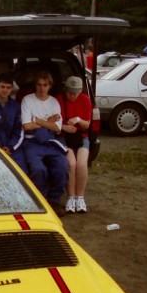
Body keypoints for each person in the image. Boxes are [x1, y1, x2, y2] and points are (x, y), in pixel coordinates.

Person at [21, 70, 68, 215]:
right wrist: (48, 121)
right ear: (35, 85)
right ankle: (40, 201)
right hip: (32, 141)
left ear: (50, 86)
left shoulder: (54, 102)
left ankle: (54, 201)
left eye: (45, 85)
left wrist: (39, 121)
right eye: (39, 85)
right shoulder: (27, 100)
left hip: (51, 140)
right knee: (38, 169)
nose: (42, 88)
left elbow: (57, 128)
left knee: (62, 166)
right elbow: (27, 126)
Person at [59, 76, 92, 213]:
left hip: (81, 137)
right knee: (71, 164)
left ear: (79, 92)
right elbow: (55, 123)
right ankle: (71, 197)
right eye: (69, 92)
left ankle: (80, 197)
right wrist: (64, 127)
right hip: (65, 137)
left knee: (82, 164)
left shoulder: (85, 99)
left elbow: (87, 125)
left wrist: (78, 120)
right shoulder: (59, 99)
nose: (72, 96)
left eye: (75, 93)